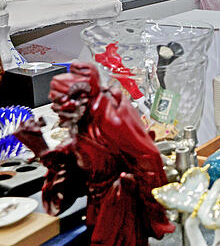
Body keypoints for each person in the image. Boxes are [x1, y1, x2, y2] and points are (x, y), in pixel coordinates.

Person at [14, 62, 175, 245]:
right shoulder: (82, 129)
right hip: (99, 207)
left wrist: (155, 209)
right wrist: (40, 148)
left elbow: (147, 160)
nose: (58, 114)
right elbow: (68, 174)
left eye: (60, 106)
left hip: (121, 208)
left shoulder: (110, 122)